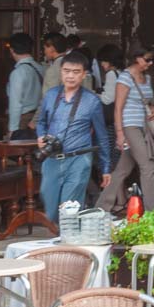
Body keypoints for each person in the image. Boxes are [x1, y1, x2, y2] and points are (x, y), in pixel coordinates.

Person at [34, 53, 112, 221]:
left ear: (84, 74)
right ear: (61, 72)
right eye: (66, 71)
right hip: (51, 158)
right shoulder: (50, 95)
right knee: (50, 207)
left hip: (79, 158)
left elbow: (102, 136)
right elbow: (41, 122)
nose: (70, 76)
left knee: (70, 208)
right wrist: (41, 136)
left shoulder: (92, 101)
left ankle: (68, 243)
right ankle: (62, 237)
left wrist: (106, 168)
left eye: (76, 72)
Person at [97, 49, 154, 214]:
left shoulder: (147, 78)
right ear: (136, 58)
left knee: (122, 170)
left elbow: (147, 102)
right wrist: (120, 134)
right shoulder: (125, 77)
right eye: (147, 59)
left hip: (144, 127)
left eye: (151, 59)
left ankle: (100, 207)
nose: (150, 63)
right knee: (148, 167)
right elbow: (117, 108)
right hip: (129, 126)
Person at [5, 31, 43, 140]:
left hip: (23, 120)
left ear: (12, 50)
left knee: (20, 154)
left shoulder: (18, 73)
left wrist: (12, 129)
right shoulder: (41, 68)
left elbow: (16, 103)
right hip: (37, 118)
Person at [95, 43, 125, 119]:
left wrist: (93, 94)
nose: (101, 64)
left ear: (111, 60)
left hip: (113, 115)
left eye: (104, 61)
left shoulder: (111, 74)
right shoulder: (122, 72)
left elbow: (107, 99)